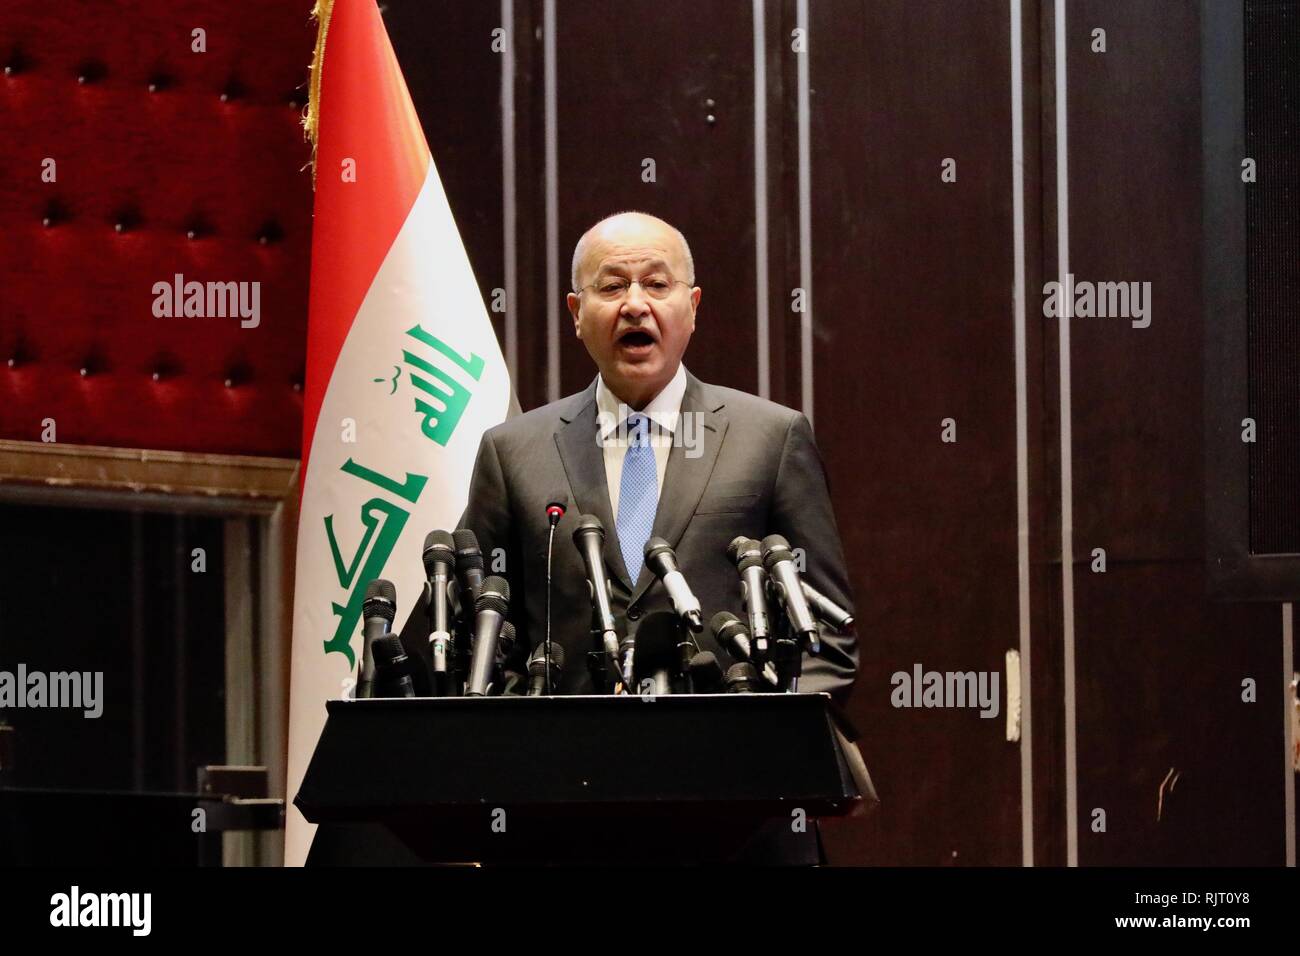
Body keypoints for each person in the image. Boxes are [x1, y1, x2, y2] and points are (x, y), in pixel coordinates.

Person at [458, 211, 857, 702]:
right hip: (563, 762)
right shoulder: (512, 451)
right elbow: (475, 635)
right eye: (611, 287)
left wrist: (767, 739)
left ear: (692, 307)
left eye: (656, 284)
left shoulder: (771, 438)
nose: (634, 304)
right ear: (576, 314)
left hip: (726, 759)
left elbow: (827, 636)